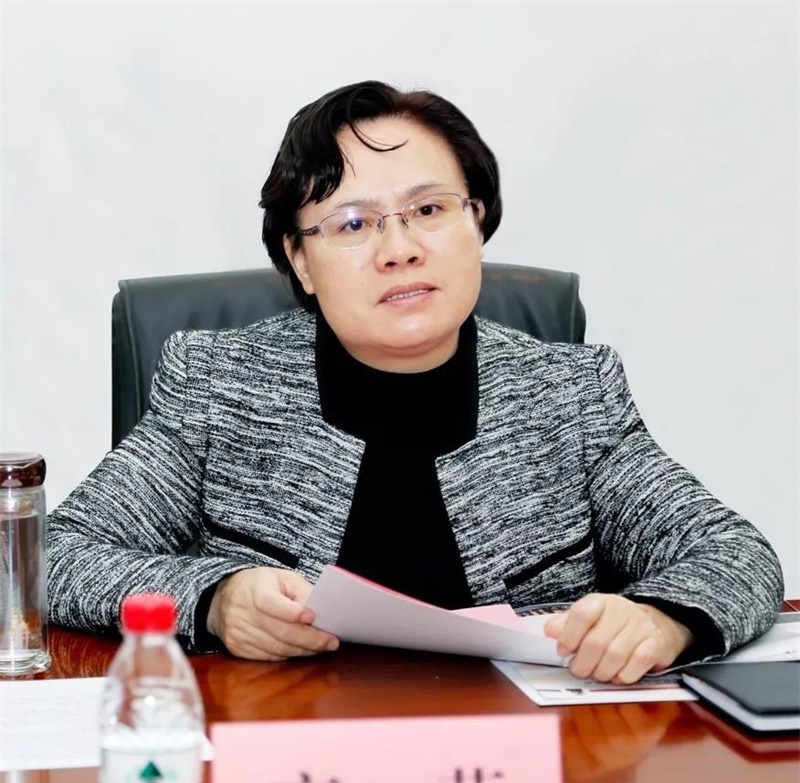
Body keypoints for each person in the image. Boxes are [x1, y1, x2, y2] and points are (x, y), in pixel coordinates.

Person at [47, 80, 783, 684]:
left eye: (428, 210)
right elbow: (54, 557)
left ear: (477, 223)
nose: (399, 249)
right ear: (299, 261)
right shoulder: (218, 388)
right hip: (288, 761)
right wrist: (212, 601)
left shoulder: (571, 396)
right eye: (352, 224)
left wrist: (660, 619)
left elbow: (734, 554)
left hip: (519, 770)